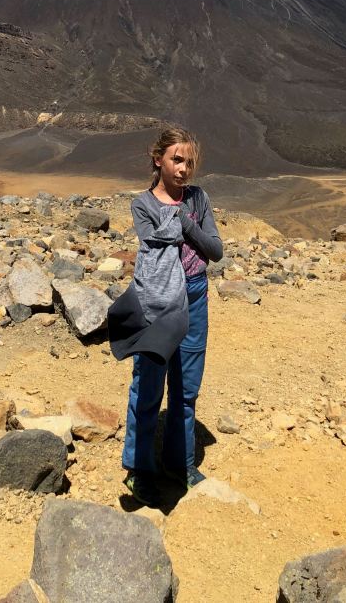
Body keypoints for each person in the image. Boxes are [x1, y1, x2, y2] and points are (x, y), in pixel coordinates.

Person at [120, 126, 223, 507]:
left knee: (186, 389)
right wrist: (181, 225)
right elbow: (154, 245)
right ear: (158, 159)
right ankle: (139, 470)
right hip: (159, 302)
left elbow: (215, 250)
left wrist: (184, 222)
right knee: (148, 387)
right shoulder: (142, 204)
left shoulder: (199, 198)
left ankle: (181, 464)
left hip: (195, 297)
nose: (184, 170)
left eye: (189, 162)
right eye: (177, 159)